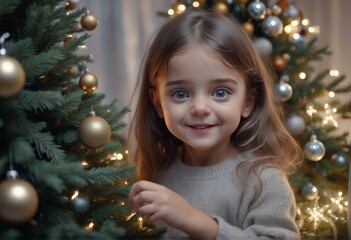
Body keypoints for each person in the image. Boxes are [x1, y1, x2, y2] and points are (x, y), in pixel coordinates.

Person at [128, 9, 303, 240]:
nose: (200, 108)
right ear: (158, 103)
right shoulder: (160, 176)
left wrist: (199, 223)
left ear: (248, 101)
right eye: (180, 94)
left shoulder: (264, 181)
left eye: (221, 92)